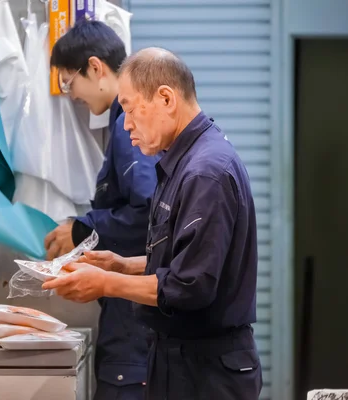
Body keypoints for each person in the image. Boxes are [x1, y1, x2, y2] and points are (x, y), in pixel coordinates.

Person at [43, 47, 262, 400]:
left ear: (165, 98)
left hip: (206, 373)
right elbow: (187, 260)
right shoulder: (183, 162)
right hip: (180, 362)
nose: (126, 123)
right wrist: (123, 265)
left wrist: (106, 282)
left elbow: (191, 285)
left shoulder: (205, 172)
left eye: (129, 108)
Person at [43, 21, 160, 400]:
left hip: (134, 328)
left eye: (69, 81)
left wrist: (82, 228)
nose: (71, 94)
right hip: (132, 321)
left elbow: (146, 213)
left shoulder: (128, 127)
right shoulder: (123, 124)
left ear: (96, 68)